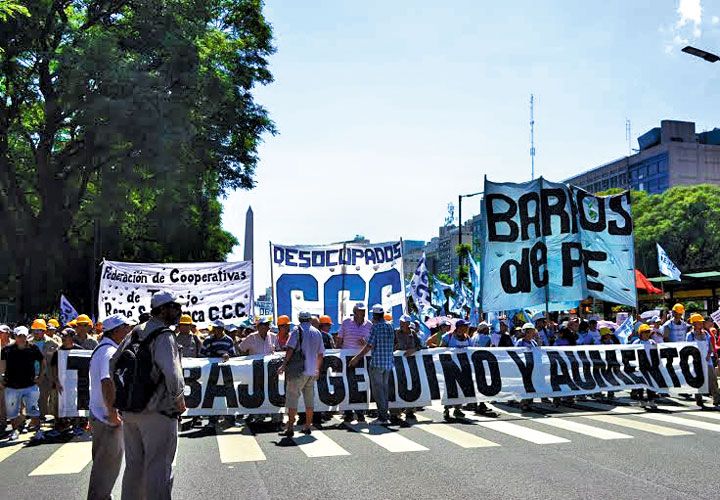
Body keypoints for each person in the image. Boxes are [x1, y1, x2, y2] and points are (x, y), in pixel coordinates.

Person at [112, 291, 186, 500]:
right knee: (159, 467)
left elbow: (113, 363)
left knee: (134, 466)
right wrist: (179, 401)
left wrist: (121, 397)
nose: (178, 311)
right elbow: (173, 374)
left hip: (130, 411)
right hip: (158, 411)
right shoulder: (163, 335)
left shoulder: (135, 331)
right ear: (162, 310)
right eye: (174, 307)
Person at [87, 314, 134, 500]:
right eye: (125, 327)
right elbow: (107, 382)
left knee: (105, 467)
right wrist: (113, 412)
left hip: (102, 415)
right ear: (116, 331)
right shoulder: (108, 352)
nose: (129, 331)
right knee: (105, 469)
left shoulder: (105, 349)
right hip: (107, 418)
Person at [278, 311, 325, 437]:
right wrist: (318, 369)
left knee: (292, 399)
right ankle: (307, 426)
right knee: (309, 400)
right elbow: (321, 354)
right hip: (312, 371)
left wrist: (283, 365)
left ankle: (290, 428)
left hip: (298, 371)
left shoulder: (296, 330)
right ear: (310, 319)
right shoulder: (317, 332)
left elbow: (290, 349)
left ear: (299, 319)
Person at [349, 305, 395, 425]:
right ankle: (385, 414)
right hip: (388, 362)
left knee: (378, 391)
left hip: (377, 363)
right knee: (384, 390)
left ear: (374, 315)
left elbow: (369, 346)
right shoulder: (390, 326)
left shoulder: (375, 327)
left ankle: (382, 417)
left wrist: (356, 358)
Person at [1, 326, 46, 441]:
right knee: (12, 412)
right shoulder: (7, 350)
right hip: (11, 386)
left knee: (33, 410)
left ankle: (38, 431)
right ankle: (15, 430)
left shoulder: (33, 348)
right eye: (19, 336)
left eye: (24, 336)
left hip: (30, 385)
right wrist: (1, 379)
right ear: (15, 336)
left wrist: (40, 376)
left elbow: (42, 361)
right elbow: (2, 365)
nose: (22, 338)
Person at [337, 302, 372, 423]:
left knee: (362, 386)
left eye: (363, 310)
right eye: (360, 310)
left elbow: (372, 342)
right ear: (355, 311)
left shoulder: (369, 325)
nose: (362, 313)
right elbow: (339, 339)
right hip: (347, 358)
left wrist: (366, 343)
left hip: (362, 359)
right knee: (347, 385)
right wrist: (337, 354)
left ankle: (360, 412)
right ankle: (348, 413)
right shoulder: (346, 322)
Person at [49, 328, 83, 435]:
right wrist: (57, 382)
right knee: (58, 406)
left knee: (76, 404)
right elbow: (54, 368)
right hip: (60, 384)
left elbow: (84, 368)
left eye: (65, 336)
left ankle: (77, 426)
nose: (63, 338)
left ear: (72, 337)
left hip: (75, 383)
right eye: (62, 336)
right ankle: (59, 426)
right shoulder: (57, 352)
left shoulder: (80, 350)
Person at [392, 315, 422, 424]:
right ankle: (395, 412)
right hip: (397, 364)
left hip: (410, 364)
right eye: (401, 322)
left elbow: (421, 346)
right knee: (396, 386)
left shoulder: (413, 334)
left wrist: (413, 349)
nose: (402, 325)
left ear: (409, 324)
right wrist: (395, 348)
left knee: (410, 386)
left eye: (404, 323)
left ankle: (410, 411)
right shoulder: (395, 332)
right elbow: (390, 345)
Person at [440, 319, 472, 420]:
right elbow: (441, 349)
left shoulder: (468, 338)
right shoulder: (448, 337)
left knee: (461, 389)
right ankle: (446, 409)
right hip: (450, 368)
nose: (466, 328)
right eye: (464, 326)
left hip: (463, 368)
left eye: (466, 326)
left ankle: (458, 409)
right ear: (458, 327)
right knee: (450, 389)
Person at [29, 318, 60, 422]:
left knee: (43, 397)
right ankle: (33, 417)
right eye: (35, 330)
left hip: (47, 375)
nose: (37, 333)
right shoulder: (28, 342)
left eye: (39, 330)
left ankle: (41, 417)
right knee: (31, 397)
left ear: (44, 331)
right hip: (31, 374)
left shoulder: (52, 343)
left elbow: (58, 359)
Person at [686, 313, 719, 409]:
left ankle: (716, 399)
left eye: (702, 323)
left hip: (707, 360)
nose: (701, 324)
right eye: (699, 323)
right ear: (694, 324)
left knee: (713, 379)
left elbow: (710, 346)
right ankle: (699, 399)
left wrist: (709, 354)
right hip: (696, 361)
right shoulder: (690, 335)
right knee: (698, 381)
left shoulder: (706, 333)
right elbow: (688, 348)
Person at [631, 324, 658, 409]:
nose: (647, 333)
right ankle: (641, 400)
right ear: (640, 333)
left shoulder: (652, 342)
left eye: (648, 332)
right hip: (640, 365)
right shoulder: (636, 342)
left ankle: (651, 400)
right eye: (645, 332)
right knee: (641, 384)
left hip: (650, 365)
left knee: (650, 384)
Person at [516, 323, 538, 411]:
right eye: (531, 332)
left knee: (532, 385)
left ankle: (529, 402)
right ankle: (524, 402)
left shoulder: (534, 342)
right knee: (525, 385)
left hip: (533, 367)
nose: (533, 333)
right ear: (526, 332)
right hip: (524, 367)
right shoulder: (520, 342)